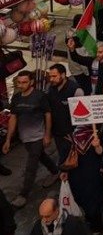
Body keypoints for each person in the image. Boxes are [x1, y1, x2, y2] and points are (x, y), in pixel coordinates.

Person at [3, 71, 58, 208]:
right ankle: (56, 171)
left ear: (31, 82)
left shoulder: (40, 96)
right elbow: (13, 118)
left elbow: (48, 115)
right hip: (25, 138)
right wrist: (8, 139)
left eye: (24, 82)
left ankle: (23, 194)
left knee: (31, 165)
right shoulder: (16, 98)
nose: (21, 85)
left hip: (38, 137)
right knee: (41, 156)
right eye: (19, 82)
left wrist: (47, 135)